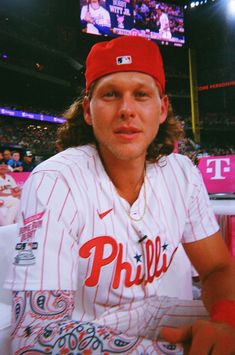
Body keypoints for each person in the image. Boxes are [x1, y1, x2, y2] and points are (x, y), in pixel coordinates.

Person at [5, 36, 235, 354]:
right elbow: (34, 333)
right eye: (111, 95)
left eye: (141, 94)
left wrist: (225, 324)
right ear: (88, 110)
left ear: (162, 108)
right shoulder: (55, 181)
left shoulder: (181, 172)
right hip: (80, 331)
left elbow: (217, 268)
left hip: (155, 312)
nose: (127, 109)